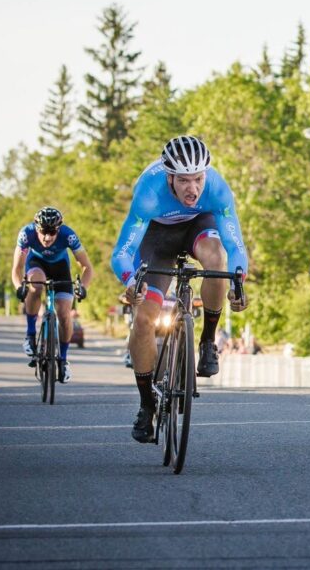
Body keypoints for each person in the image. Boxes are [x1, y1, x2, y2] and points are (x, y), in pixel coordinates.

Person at [112, 135, 249, 443]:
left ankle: (207, 342)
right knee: (144, 321)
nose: (193, 188)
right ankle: (147, 404)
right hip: (156, 238)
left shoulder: (216, 188)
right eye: (184, 181)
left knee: (217, 259)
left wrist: (239, 279)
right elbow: (122, 251)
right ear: (169, 176)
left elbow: (235, 244)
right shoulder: (149, 191)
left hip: (198, 227)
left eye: (198, 179)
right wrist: (130, 281)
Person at [11, 207, 93, 384]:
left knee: (64, 314)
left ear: (58, 229)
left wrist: (83, 287)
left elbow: (87, 267)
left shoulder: (68, 235)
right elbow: (16, 269)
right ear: (36, 228)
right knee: (36, 285)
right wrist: (19, 287)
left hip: (60, 269)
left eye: (52, 232)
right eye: (43, 232)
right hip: (36, 264)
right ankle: (31, 334)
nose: (47, 237)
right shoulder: (26, 234)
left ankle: (63, 360)